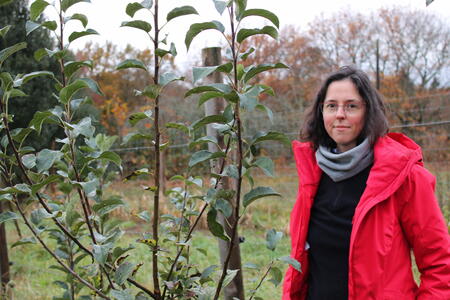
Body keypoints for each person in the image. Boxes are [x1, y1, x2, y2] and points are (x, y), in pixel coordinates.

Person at [282, 66, 450, 300]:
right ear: (321, 113)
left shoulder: (404, 176)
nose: (340, 114)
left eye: (351, 106)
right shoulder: (311, 172)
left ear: (368, 112)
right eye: (332, 106)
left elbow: (440, 267)